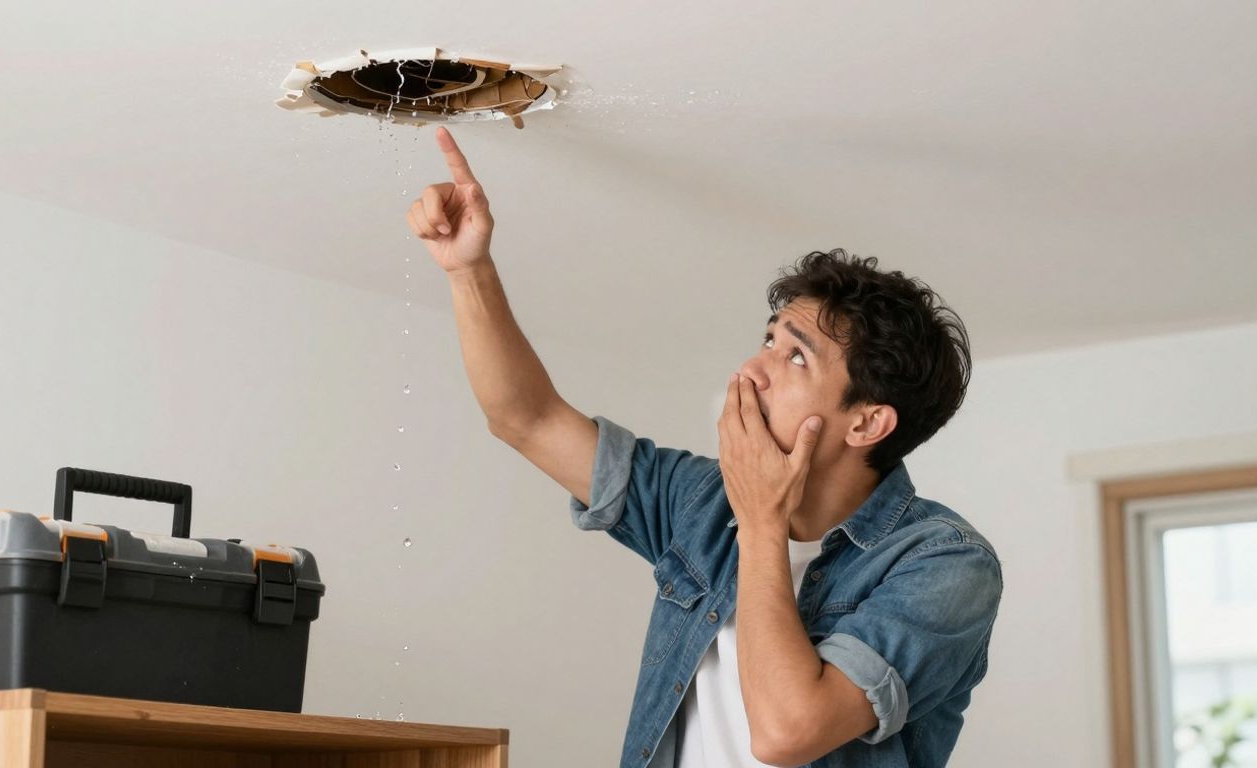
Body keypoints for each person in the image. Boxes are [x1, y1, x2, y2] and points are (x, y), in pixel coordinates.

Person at [406, 126, 1003, 768]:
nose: (751, 368)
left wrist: (761, 522)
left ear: (866, 424)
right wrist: (470, 269)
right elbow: (526, 419)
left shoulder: (945, 565)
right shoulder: (700, 501)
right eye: (769, 339)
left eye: (795, 356)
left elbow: (786, 734)